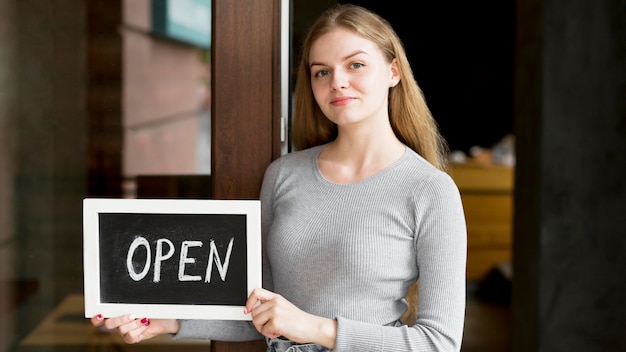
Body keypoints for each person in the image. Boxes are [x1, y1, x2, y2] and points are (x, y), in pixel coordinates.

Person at [91, 3, 467, 351]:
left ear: (393, 72)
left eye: (355, 65)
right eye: (322, 71)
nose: (337, 82)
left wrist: (315, 328)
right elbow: (261, 310)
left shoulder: (430, 191)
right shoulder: (284, 176)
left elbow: (439, 343)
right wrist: (168, 320)